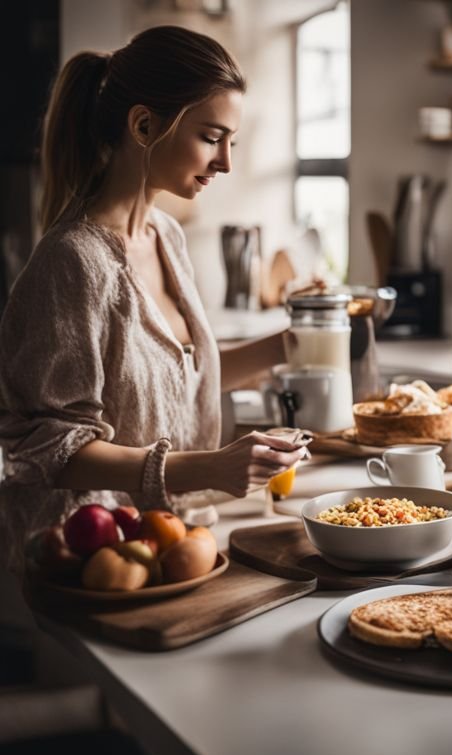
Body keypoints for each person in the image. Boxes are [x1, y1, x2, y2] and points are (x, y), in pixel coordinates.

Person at [0, 26, 305, 564]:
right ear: (143, 125)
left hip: (170, 539)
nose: (226, 161)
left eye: (231, 141)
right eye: (212, 137)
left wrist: (294, 344)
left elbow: (171, 377)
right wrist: (209, 468)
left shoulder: (167, 235)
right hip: (90, 559)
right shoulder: (72, 262)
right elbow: (52, 448)